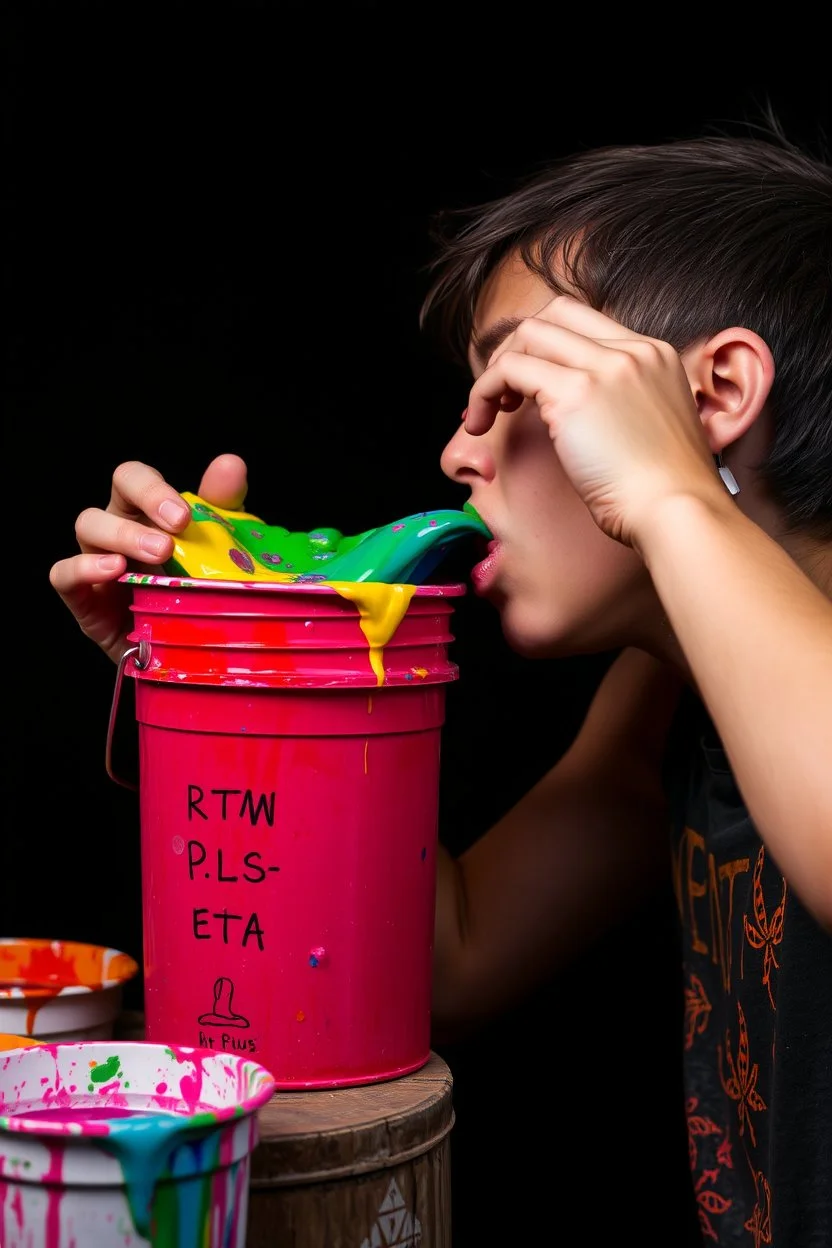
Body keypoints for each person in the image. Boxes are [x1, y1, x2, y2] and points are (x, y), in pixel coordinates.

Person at [50, 116, 831, 1245]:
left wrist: (669, 498)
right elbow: (448, 961)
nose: (458, 453)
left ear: (711, 396)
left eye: (519, 385)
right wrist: (241, 668)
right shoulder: (658, 700)